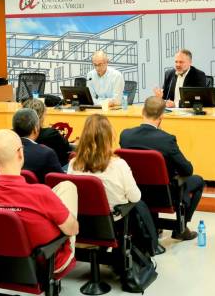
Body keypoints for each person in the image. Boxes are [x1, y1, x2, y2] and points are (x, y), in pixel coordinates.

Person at [0, 129, 78, 273]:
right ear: (20, 153)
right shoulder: (42, 194)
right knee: (68, 190)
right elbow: (72, 230)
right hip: (42, 267)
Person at [68, 114, 163, 255]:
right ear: (108, 137)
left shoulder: (73, 164)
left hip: (82, 222)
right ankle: (150, 247)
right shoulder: (118, 165)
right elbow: (135, 197)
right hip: (112, 224)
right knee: (138, 205)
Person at [119, 96, 205, 241]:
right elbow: (187, 170)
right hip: (164, 196)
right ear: (162, 116)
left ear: (142, 111)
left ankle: (153, 224)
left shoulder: (125, 135)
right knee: (198, 181)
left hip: (134, 192)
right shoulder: (166, 139)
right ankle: (181, 227)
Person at [12, 108, 63, 183]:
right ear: (36, 129)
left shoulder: (0, 150)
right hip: (37, 193)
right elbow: (61, 181)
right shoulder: (46, 153)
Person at [22, 98, 75, 168]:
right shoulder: (52, 134)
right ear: (42, 115)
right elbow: (67, 148)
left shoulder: (15, 135)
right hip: (57, 171)